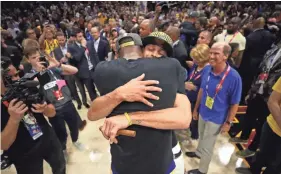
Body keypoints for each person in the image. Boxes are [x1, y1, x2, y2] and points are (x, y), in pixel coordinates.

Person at [88, 33, 191, 174]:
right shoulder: (117, 75)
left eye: (161, 53)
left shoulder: (170, 75)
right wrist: (119, 94)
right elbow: (93, 114)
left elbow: (183, 118)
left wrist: (129, 118)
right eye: (151, 49)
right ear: (140, 50)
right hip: (125, 158)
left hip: (164, 152)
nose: (154, 55)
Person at [1, 56, 66, 174]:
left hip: (48, 138)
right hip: (23, 153)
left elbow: (52, 112)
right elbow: (3, 144)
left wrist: (45, 109)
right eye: (11, 77)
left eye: (17, 74)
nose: (17, 79)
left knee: (60, 166)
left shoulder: (28, 87)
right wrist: (14, 119)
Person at [186, 42, 242, 174]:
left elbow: (235, 103)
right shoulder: (207, 70)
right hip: (203, 112)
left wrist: (228, 122)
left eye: (216, 53)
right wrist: (196, 109)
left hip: (216, 118)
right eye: (211, 52)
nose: (211, 56)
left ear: (225, 56)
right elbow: (201, 90)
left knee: (208, 145)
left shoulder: (234, 77)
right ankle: (198, 152)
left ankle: (202, 170)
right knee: (201, 135)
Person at [23, 46, 85, 161]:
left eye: (38, 56)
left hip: (67, 103)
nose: (37, 59)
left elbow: (74, 70)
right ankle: (63, 149)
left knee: (74, 127)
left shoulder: (51, 69)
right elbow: (33, 88)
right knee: (60, 133)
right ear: (28, 60)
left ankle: (76, 140)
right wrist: (38, 72)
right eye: (33, 58)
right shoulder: (30, 76)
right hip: (53, 109)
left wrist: (58, 64)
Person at [230, 42, 281, 158]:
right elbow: (263, 67)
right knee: (250, 114)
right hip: (258, 87)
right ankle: (243, 136)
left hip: (271, 93)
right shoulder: (275, 47)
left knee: (261, 122)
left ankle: (252, 148)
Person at [235, 77, 281, 174]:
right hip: (272, 126)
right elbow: (272, 101)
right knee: (261, 155)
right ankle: (252, 171)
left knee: (275, 166)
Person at [238, 17, 275, 103]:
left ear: (255, 24)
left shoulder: (250, 37)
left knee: (246, 83)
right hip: (264, 64)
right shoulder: (270, 35)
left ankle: (242, 100)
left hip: (249, 64)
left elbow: (245, 52)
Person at [54, 32, 90, 110]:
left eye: (62, 40)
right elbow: (57, 63)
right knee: (73, 90)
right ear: (57, 40)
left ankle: (85, 102)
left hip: (76, 70)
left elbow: (77, 57)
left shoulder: (72, 46)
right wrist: (61, 61)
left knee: (81, 88)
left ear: (65, 38)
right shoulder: (56, 50)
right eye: (59, 40)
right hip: (66, 72)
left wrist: (70, 57)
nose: (61, 42)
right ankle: (79, 103)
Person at [185, 44, 210, 142]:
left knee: (195, 120)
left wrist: (194, 88)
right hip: (189, 96)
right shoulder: (196, 65)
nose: (194, 60)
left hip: (197, 100)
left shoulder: (208, 70)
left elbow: (205, 89)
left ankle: (195, 137)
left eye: (196, 59)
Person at [67, 28, 99, 101]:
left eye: (82, 36)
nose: (82, 38)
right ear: (75, 38)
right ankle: (95, 105)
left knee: (99, 87)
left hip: (93, 69)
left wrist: (98, 66)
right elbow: (77, 58)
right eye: (79, 36)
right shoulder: (71, 47)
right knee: (91, 91)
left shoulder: (89, 43)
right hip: (84, 72)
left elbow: (94, 55)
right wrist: (83, 47)